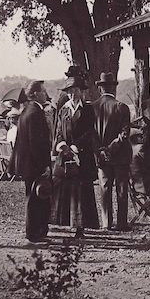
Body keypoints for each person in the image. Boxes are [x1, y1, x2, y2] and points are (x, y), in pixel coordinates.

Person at [53, 74, 98, 234]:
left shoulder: (88, 109)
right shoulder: (63, 110)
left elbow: (90, 132)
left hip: (82, 155)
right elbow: (58, 131)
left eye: (76, 90)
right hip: (65, 156)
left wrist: (75, 147)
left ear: (81, 92)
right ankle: (67, 223)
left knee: (82, 191)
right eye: (70, 91)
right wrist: (62, 145)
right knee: (66, 191)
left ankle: (81, 226)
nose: (73, 94)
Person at [11, 80, 53, 243]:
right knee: (36, 199)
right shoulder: (35, 112)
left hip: (28, 163)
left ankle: (36, 231)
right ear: (35, 93)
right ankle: (34, 233)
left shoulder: (28, 110)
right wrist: (44, 165)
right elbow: (37, 143)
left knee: (34, 197)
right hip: (34, 164)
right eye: (43, 91)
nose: (45, 94)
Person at [91, 72, 132, 231]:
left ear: (100, 88)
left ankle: (106, 222)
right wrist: (111, 148)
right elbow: (124, 133)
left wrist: (101, 150)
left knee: (104, 189)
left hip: (102, 157)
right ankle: (122, 223)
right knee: (122, 190)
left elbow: (91, 134)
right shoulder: (121, 107)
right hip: (120, 156)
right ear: (114, 88)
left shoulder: (92, 107)